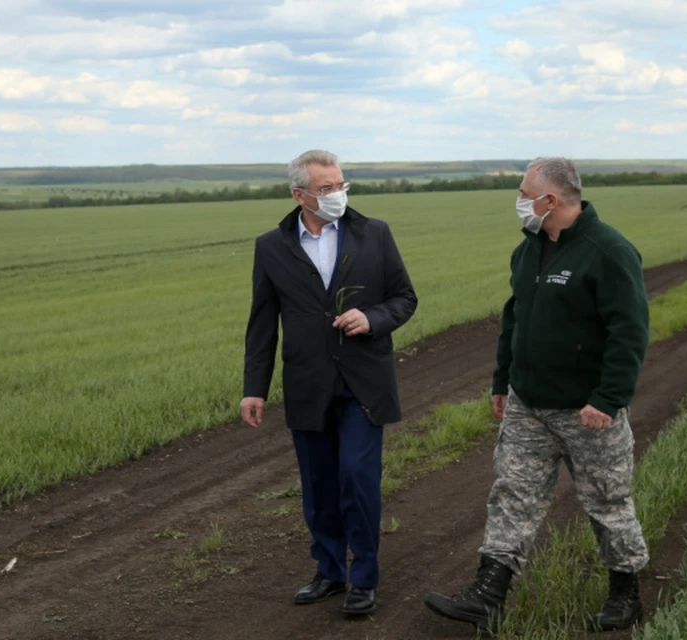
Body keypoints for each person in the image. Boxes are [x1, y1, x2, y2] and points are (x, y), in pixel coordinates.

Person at [424, 157, 650, 633]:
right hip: (529, 406)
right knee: (513, 494)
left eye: (525, 193)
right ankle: (488, 595)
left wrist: (608, 399)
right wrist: (503, 380)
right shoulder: (527, 251)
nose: (520, 202)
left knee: (607, 502)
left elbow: (628, 333)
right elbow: (516, 320)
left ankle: (626, 592)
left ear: (550, 200)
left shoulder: (608, 252)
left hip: (588, 410)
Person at [240, 149, 417, 616]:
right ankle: (329, 570)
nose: (337, 194)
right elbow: (262, 325)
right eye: (326, 188)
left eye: (341, 185)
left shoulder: (373, 234)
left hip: (363, 383)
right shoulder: (271, 246)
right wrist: (253, 388)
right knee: (318, 485)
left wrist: (373, 317)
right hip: (307, 384)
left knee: (358, 480)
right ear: (300, 195)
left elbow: (404, 298)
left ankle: (364, 578)